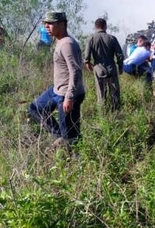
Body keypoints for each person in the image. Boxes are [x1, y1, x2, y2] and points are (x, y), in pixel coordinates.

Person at [28, 11, 86, 147]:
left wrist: (69, 97)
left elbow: (76, 70)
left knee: (71, 136)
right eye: (45, 24)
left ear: (62, 24)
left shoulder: (67, 44)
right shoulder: (60, 41)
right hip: (56, 90)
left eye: (50, 23)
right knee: (35, 108)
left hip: (67, 94)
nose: (46, 27)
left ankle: (73, 155)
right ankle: (59, 135)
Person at [84, 18, 124, 111]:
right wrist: (120, 67)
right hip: (112, 69)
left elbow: (87, 57)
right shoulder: (112, 38)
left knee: (101, 94)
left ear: (95, 27)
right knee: (115, 94)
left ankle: (102, 115)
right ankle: (116, 113)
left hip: (98, 70)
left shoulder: (91, 38)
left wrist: (89, 65)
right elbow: (120, 55)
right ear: (105, 26)